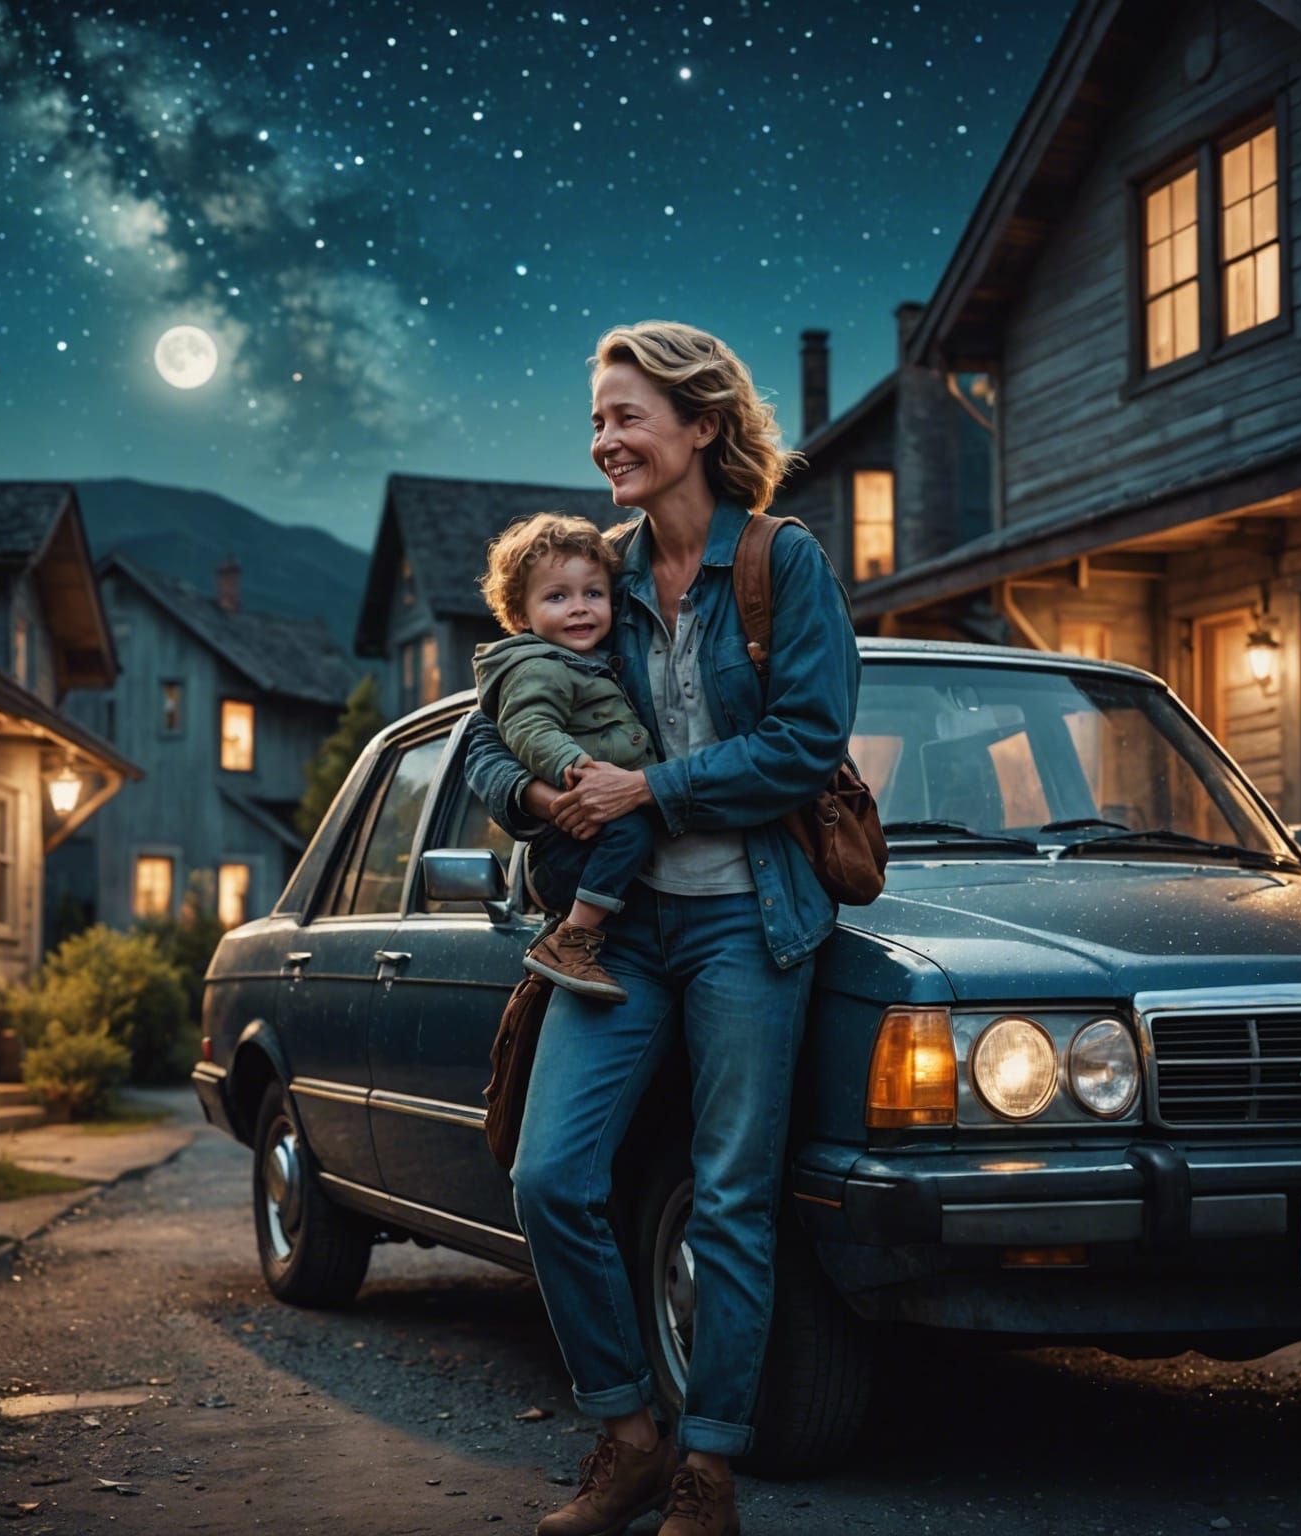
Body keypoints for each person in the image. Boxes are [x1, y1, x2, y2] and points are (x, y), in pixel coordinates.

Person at [464, 320, 859, 1536]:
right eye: (597, 420)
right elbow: (492, 726)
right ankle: (630, 1435)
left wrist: (654, 791)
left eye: (626, 417)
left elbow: (806, 742)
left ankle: (710, 1474)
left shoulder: (782, 565)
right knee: (548, 1176)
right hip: (618, 929)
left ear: (700, 424)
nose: (605, 440)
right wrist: (536, 793)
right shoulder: (598, 569)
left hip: (751, 922)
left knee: (733, 1197)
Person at [472, 511, 659, 1002]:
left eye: (593, 594)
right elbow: (527, 727)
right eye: (557, 597)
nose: (579, 608)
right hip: (570, 843)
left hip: (597, 833)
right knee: (634, 827)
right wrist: (576, 771)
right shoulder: (538, 666)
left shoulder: (591, 661)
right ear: (519, 616)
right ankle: (572, 939)